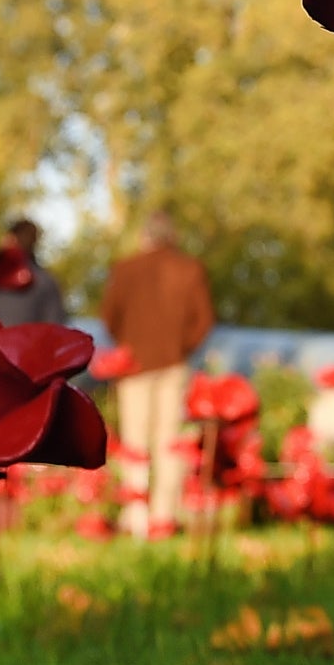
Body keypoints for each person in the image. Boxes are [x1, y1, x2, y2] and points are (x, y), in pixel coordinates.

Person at [99, 208, 215, 539]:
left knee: (135, 440)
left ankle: (136, 515)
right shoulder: (189, 269)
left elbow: (109, 316)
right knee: (169, 441)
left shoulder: (125, 269)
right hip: (173, 365)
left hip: (134, 365)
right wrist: (181, 348)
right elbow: (204, 320)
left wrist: (128, 345)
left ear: (144, 237)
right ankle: (163, 516)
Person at [0, 217, 67, 327]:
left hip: (0, 336)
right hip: (21, 337)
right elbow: (55, 326)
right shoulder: (46, 281)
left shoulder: (45, 282)